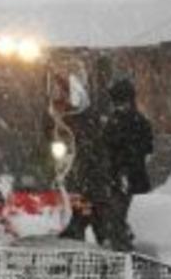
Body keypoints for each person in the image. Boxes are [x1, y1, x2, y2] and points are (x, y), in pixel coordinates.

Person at [56, 72, 134, 251]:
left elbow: (99, 160)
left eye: (64, 98)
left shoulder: (90, 125)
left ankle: (119, 257)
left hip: (100, 192)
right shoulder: (70, 127)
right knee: (85, 222)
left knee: (109, 232)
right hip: (86, 191)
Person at [103, 77, 154, 240]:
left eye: (121, 102)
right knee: (116, 210)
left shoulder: (134, 121)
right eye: (117, 103)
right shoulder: (118, 121)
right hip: (118, 173)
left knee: (118, 209)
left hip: (126, 173)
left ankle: (121, 236)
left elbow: (145, 147)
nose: (119, 106)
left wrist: (125, 166)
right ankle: (120, 235)